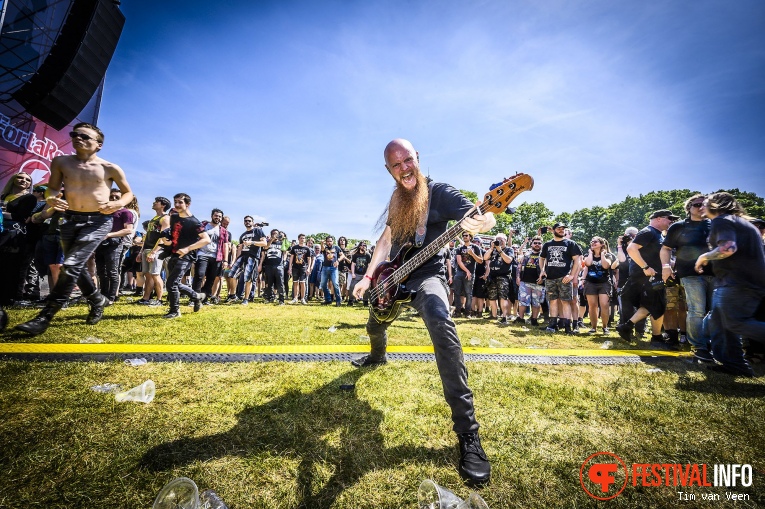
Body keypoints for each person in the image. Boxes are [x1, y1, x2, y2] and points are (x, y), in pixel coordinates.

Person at [351, 139, 494, 487]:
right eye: (396, 165)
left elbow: (477, 215)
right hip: (391, 278)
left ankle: (468, 433)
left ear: (418, 159)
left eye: (408, 160)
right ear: (389, 171)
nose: (404, 168)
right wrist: (370, 276)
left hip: (427, 276)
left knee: (442, 324)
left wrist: (484, 219)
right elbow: (385, 242)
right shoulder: (396, 200)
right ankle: (377, 355)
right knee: (375, 323)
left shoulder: (439, 192)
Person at [16, 123, 133, 335]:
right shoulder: (61, 162)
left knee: (70, 264)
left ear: (98, 145)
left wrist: (116, 204)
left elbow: (128, 194)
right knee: (75, 267)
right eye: (74, 135)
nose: (78, 138)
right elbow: (52, 187)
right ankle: (97, 299)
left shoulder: (110, 168)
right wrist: (52, 198)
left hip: (98, 221)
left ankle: (45, 317)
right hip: (70, 220)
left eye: (85, 136)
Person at [695, 192, 765, 377]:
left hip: (739, 282)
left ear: (716, 205)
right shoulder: (740, 222)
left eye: (706, 203)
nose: (701, 206)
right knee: (719, 324)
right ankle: (735, 365)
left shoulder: (722, 220)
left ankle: (734, 364)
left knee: (736, 323)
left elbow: (728, 248)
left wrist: (704, 257)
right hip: (734, 281)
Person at [661, 194, 713, 360]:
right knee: (697, 309)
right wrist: (666, 266)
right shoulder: (679, 227)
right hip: (690, 274)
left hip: (718, 274)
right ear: (689, 207)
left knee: (714, 311)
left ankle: (713, 344)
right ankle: (700, 347)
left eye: (705, 204)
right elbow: (666, 248)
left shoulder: (715, 224)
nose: (701, 207)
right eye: (697, 204)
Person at [616, 210, 678, 347]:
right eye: (669, 219)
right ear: (659, 219)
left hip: (651, 276)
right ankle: (655, 337)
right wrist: (645, 267)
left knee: (653, 306)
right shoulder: (648, 232)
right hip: (647, 277)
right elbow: (632, 249)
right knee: (658, 306)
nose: (671, 222)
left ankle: (629, 327)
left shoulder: (657, 234)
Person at [145, 193, 210, 319]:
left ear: (188, 204)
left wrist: (187, 248)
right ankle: (197, 296)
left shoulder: (194, 222)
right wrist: (166, 240)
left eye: (180, 202)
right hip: (173, 254)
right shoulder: (174, 217)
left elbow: (206, 239)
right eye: (175, 202)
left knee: (171, 283)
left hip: (187, 256)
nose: (177, 205)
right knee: (173, 283)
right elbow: (172, 235)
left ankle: (175, 311)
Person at [538, 222, 582, 334]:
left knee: (565, 301)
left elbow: (577, 260)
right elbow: (542, 258)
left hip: (564, 278)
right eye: (559, 228)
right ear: (553, 230)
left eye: (563, 229)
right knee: (552, 301)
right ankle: (552, 325)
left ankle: (568, 327)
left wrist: (572, 275)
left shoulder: (570, 243)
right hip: (550, 278)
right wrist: (542, 270)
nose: (562, 230)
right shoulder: (547, 244)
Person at [0, 172, 36, 305]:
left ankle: (12, 297)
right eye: (20, 177)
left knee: (13, 265)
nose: (23, 180)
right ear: (13, 179)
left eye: (27, 180)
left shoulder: (29, 198)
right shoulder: (4, 196)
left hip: (15, 233)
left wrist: (2, 214)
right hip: (2, 231)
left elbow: (21, 216)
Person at [94, 187, 135, 304]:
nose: (113, 199)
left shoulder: (126, 212)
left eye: (117, 197)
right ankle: (103, 295)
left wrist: (109, 235)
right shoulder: (101, 212)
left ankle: (112, 297)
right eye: (111, 197)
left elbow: (128, 230)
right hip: (100, 244)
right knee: (101, 271)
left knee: (112, 271)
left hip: (114, 244)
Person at [137, 197, 171, 305]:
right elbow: (147, 236)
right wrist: (141, 251)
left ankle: (159, 300)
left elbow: (163, 237)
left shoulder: (165, 218)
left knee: (156, 274)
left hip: (156, 251)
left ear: (163, 205)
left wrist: (154, 252)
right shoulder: (154, 218)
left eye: (157, 202)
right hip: (147, 249)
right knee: (148, 275)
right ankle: (146, 298)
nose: (154, 203)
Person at [582, 236, 614, 334]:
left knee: (604, 305)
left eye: (595, 242)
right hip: (590, 283)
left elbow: (605, 266)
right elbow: (587, 264)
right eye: (592, 242)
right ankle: (593, 327)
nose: (593, 243)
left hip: (604, 283)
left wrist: (602, 255)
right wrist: (591, 254)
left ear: (601, 244)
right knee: (592, 306)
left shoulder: (608, 255)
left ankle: (605, 327)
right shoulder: (588, 254)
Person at [484, 233, 514, 322]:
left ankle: (504, 316)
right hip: (492, 276)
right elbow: (485, 258)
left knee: (503, 297)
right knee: (492, 297)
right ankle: (494, 315)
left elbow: (508, 260)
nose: (499, 241)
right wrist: (492, 248)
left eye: (501, 240)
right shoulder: (493, 250)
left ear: (505, 240)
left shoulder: (509, 249)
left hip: (503, 276)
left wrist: (500, 250)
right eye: (497, 239)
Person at [516, 236, 545, 326]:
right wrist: (518, 277)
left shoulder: (544, 255)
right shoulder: (526, 254)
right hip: (525, 281)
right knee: (522, 301)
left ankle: (534, 320)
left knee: (536, 303)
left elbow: (546, 269)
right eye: (535, 243)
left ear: (542, 244)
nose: (537, 245)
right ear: (531, 244)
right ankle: (520, 318)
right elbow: (519, 266)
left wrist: (543, 279)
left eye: (539, 243)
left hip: (538, 283)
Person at [259, 228, 286, 305]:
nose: (275, 234)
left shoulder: (281, 243)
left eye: (276, 233)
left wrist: (284, 261)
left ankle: (281, 300)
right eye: (273, 233)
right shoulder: (267, 242)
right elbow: (265, 248)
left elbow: (285, 252)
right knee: (269, 283)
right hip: (268, 265)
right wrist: (271, 240)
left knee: (280, 283)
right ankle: (269, 298)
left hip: (279, 265)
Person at [320, 235, 345, 306]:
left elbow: (342, 255)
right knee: (323, 284)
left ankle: (338, 300)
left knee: (335, 284)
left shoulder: (336, 247)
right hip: (325, 267)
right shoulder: (325, 248)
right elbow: (322, 249)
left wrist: (338, 260)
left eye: (330, 241)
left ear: (333, 241)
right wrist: (322, 243)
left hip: (334, 268)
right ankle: (328, 299)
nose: (329, 243)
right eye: (327, 241)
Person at [288, 234, 313, 304]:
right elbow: (291, 258)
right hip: (295, 267)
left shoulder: (307, 248)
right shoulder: (294, 247)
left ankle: (302, 298)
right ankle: (295, 298)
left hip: (303, 267)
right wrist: (290, 268)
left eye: (304, 238)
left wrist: (308, 268)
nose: (302, 239)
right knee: (295, 282)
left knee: (303, 283)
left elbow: (309, 259)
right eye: (301, 238)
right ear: (298, 239)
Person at [348, 241, 372, 306]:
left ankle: (365, 301)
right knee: (352, 287)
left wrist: (367, 274)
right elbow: (353, 264)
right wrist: (353, 273)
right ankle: (351, 300)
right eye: (362, 245)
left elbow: (369, 266)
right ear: (359, 246)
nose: (363, 246)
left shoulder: (368, 255)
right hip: (356, 274)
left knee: (366, 288)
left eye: (365, 245)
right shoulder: (355, 255)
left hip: (365, 275)